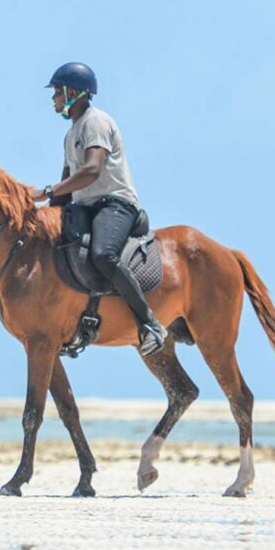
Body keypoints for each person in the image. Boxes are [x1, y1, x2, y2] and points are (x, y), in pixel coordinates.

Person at [32, 62, 167, 356]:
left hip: (115, 203)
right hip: (85, 207)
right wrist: (38, 216)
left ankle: (150, 324)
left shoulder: (95, 122)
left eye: (57, 92)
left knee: (103, 254)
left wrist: (47, 191)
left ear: (73, 93)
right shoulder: (70, 135)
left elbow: (92, 170)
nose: (53, 98)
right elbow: (66, 188)